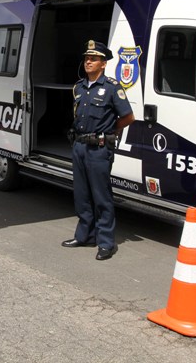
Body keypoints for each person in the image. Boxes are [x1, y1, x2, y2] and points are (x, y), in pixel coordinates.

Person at [62, 40, 135, 260]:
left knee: (101, 197)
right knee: (82, 195)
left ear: (103, 64)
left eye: (93, 59)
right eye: (87, 58)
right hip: (79, 146)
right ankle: (85, 236)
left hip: (99, 149)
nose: (88, 62)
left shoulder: (112, 88)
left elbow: (128, 117)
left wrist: (110, 130)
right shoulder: (79, 87)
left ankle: (106, 243)